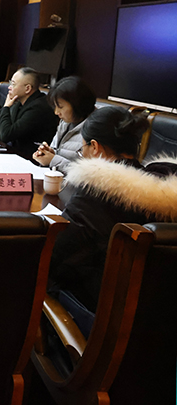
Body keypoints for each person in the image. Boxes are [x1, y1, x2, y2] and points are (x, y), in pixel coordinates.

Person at [49, 107, 177, 314]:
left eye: (82, 150)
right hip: (154, 316)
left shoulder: (98, 192)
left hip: (96, 309)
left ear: (95, 147)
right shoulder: (165, 195)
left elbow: (55, 256)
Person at [33, 76, 96, 172]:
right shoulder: (65, 122)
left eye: (60, 107)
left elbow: (89, 173)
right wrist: (49, 153)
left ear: (77, 104)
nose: (56, 112)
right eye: (55, 106)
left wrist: (53, 160)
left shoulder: (96, 128)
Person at [0, 67, 59, 159]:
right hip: (16, 153)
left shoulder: (38, 107)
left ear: (27, 88)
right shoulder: (19, 103)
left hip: (33, 158)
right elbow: (1, 130)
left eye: (13, 84)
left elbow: (7, 135)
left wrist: (6, 107)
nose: (9, 87)